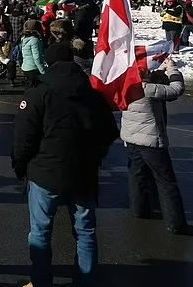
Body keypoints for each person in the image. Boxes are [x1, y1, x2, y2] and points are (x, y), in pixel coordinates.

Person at [13, 41, 118, 287]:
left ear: (49, 63)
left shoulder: (39, 94)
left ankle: (40, 281)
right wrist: (96, 157)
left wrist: (21, 166)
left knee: (40, 232)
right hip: (83, 174)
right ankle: (86, 280)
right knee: (85, 232)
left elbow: (23, 138)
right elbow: (109, 131)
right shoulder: (92, 95)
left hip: (45, 173)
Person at [121, 58, 193, 235]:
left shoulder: (124, 86)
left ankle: (139, 209)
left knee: (136, 176)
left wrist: (160, 67)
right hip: (151, 141)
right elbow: (177, 89)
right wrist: (172, 69)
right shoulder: (147, 89)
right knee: (166, 181)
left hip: (131, 138)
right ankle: (176, 223)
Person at [20, 19, 47, 88]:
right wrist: (43, 71)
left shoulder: (24, 38)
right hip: (34, 68)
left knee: (29, 89)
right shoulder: (35, 40)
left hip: (26, 67)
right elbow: (37, 58)